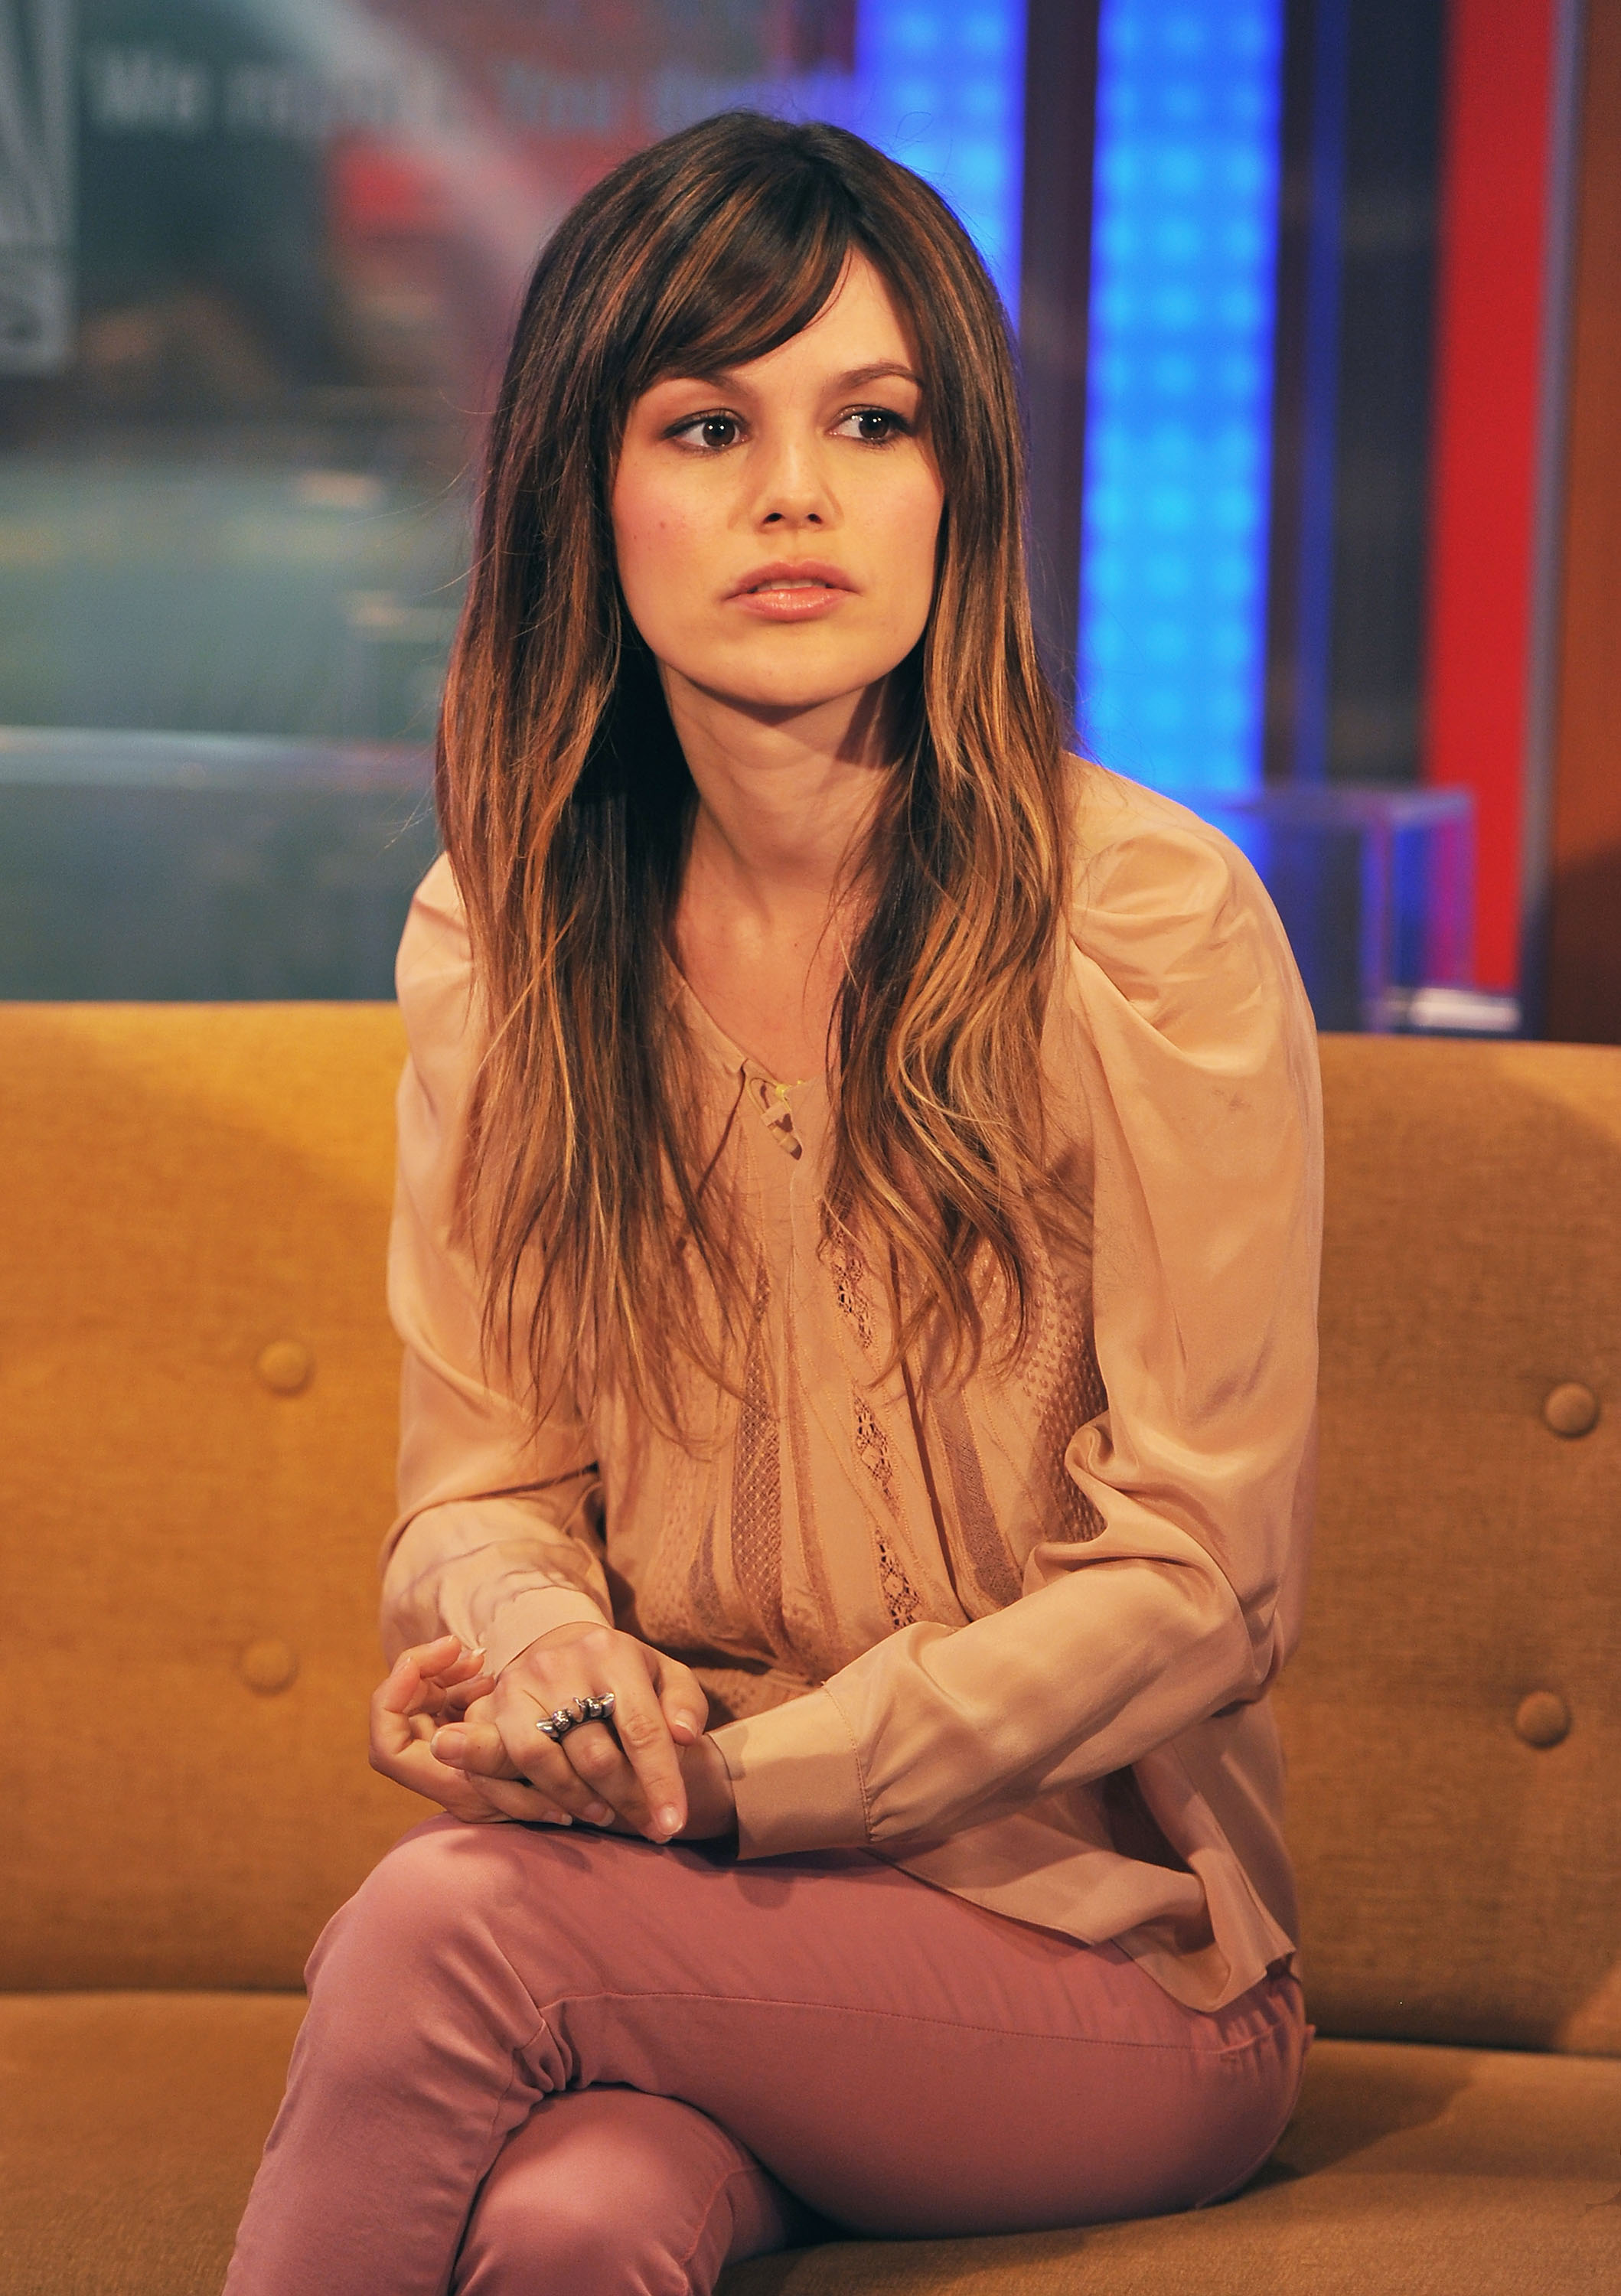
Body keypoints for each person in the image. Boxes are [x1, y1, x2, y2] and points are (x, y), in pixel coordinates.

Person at [225, 110, 1321, 2296]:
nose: (797, 493)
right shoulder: (504, 939)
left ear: (958, 488)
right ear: (589, 489)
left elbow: (1204, 1578)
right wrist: (543, 1658)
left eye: (874, 422)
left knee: (453, 1926)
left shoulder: (1142, 923)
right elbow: (482, 1492)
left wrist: (740, 1787)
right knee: (573, 2227)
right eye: (711, 424)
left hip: (1112, 1963)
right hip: (700, 1908)